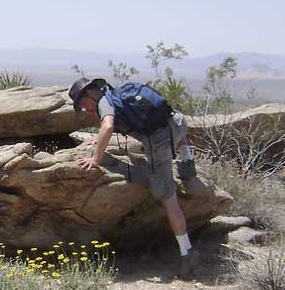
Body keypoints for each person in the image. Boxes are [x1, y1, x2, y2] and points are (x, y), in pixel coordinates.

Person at [68, 77, 198, 277]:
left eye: (82, 104)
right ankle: (187, 160)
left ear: (89, 93)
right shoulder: (119, 95)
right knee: (177, 132)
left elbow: (109, 126)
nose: (85, 109)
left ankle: (186, 252)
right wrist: (97, 138)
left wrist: (96, 158)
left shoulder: (104, 102)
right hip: (178, 123)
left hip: (159, 140)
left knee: (166, 196)